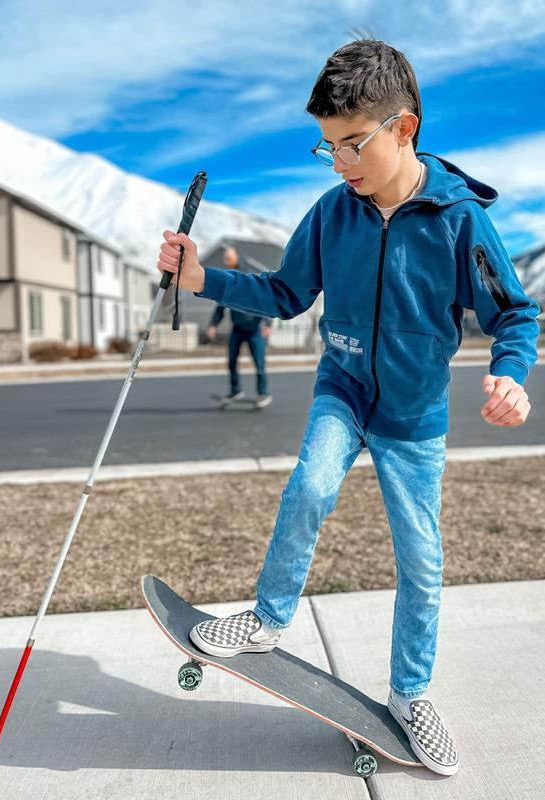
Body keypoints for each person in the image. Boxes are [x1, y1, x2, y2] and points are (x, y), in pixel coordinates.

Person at [155, 39, 537, 777]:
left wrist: (511, 373)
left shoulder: (460, 222)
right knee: (309, 485)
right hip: (344, 386)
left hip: (415, 414)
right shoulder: (333, 213)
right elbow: (285, 293)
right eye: (327, 146)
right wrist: (202, 279)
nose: (339, 162)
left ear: (404, 128)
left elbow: (512, 315)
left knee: (421, 561)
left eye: (352, 143)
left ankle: (412, 694)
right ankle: (267, 622)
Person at [208, 246, 273, 407]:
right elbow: (220, 306)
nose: (225, 261)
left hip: (254, 329)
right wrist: (213, 325)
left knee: (259, 364)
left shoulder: (247, 276)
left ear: (237, 257)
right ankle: (235, 390)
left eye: (228, 258)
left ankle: (263, 394)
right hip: (237, 329)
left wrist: (268, 323)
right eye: (225, 259)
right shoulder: (228, 278)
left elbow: (263, 299)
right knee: (231, 362)